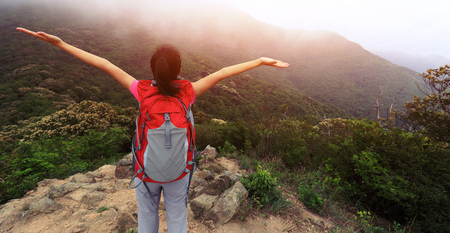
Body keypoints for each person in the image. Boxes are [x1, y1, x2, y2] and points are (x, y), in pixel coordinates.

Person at [16, 27, 289, 233]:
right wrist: (260, 61)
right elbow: (223, 72)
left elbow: (104, 64)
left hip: (145, 173)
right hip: (178, 172)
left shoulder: (142, 91)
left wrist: (61, 43)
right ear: (180, 69)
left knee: (147, 219)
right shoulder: (188, 92)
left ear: (153, 70)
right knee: (177, 218)